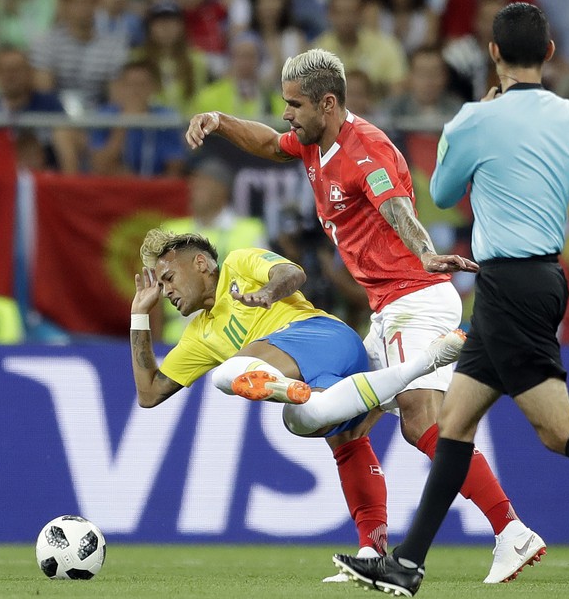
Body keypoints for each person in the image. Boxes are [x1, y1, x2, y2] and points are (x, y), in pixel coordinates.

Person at [331, 2, 569, 597]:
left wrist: (469, 128)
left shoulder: (473, 120)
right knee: (456, 424)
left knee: (559, 430)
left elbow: (439, 190)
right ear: (549, 53)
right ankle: (409, 564)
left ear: (493, 54)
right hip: (538, 281)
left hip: (508, 285)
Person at [185, 47, 547, 584]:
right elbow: (265, 140)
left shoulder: (365, 151)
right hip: (388, 306)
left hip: (413, 297)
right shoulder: (313, 144)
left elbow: (395, 205)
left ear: (327, 104)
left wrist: (423, 251)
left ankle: (511, 531)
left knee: (422, 421)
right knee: (344, 428)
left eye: (294, 105)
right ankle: (372, 549)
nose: (287, 114)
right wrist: (219, 121)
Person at [129, 229, 466, 567]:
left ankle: (295, 385)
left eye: (169, 278)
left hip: (322, 338)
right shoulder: (198, 336)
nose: (166, 290)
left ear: (200, 263)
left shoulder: (238, 264)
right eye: (160, 286)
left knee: (228, 373)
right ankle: (371, 552)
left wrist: (266, 293)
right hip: (310, 377)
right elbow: (149, 393)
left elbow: (292, 273)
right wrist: (139, 315)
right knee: (314, 423)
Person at [158, 158, 268, 342]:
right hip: (177, 339)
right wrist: (156, 342)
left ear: (222, 190)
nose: (193, 190)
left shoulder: (250, 231)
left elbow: (264, 287)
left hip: (233, 340)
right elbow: (152, 293)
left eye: (202, 185)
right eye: (193, 185)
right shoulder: (170, 232)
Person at [0, 47, 81, 173]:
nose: (10, 76)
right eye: (4, 71)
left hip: (45, 182)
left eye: (16, 70)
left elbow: (67, 154)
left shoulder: (50, 105)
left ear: (29, 72)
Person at [88, 60, 187, 177]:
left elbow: (175, 168)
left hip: (156, 184)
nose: (135, 91)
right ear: (120, 87)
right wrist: (124, 123)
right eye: (130, 85)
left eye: (142, 85)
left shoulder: (166, 117)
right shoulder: (104, 116)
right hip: (116, 184)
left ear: (153, 87)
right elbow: (99, 165)